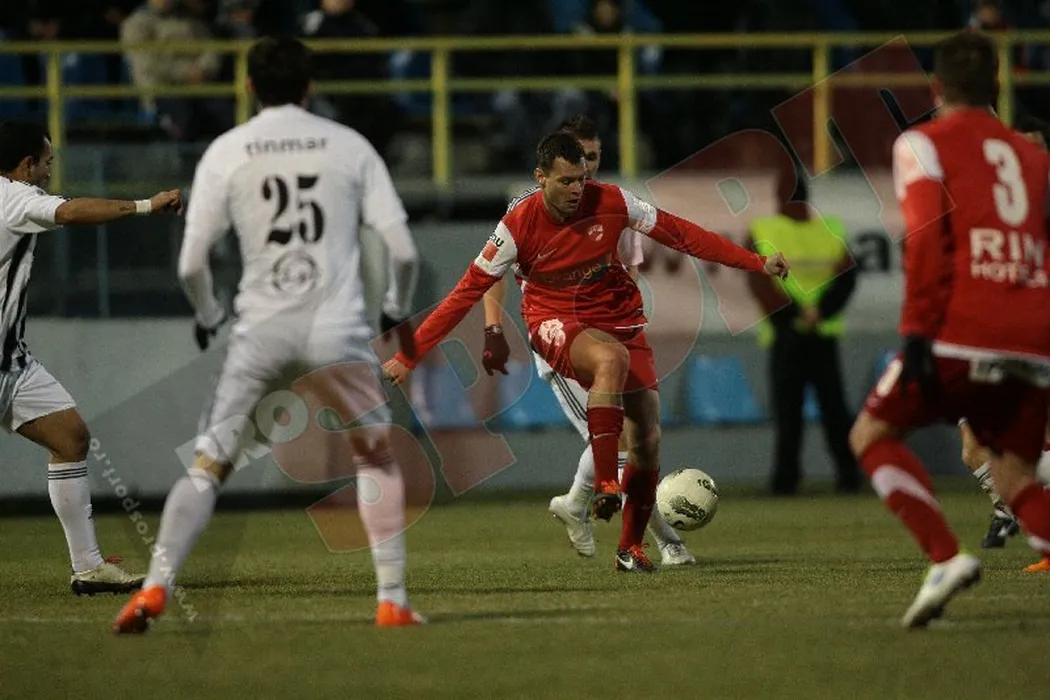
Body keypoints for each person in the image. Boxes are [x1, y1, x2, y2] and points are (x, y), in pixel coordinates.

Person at [112, 37, 421, 633]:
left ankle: (154, 587)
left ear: (249, 86)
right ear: (310, 85)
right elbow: (404, 251)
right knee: (375, 456)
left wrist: (209, 315)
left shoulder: (228, 150)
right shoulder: (349, 145)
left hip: (261, 331)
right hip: (336, 330)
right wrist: (393, 309)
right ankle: (391, 599)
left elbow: (191, 264)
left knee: (209, 465)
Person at [383, 131, 789, 572]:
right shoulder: (517, 225)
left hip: (621, 320)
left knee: (648, 440)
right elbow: (463, 294)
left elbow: (681, 234)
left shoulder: (612, 201)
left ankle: (629, 549)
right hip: (554, 320)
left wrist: (755, 262)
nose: (577, 189)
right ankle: (607, 485)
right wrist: (410, 354)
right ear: (541, 178)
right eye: (566, 181)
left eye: (580, 179)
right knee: (609, 360)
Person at [849, 31, 1050, 629]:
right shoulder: (1033, 155)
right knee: (1013, 472)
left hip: (963, 325)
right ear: (997, 84)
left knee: (871, 435)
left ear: (935, 87)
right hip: (1034, 333)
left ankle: (944, 556)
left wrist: (916, 331)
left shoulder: (923, 143)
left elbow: (926, 240)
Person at [480, 115, 695, 566]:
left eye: (593, 158)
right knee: (621, 444)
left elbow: (628, 270)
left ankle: (577, 506)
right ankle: (665, 541)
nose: (586, 168)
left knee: (635, 440)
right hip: (560, 337)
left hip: (608, 334)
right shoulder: (526, 209)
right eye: (578, 160)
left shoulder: (614, 205)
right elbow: (492, 272)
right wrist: (493, 328)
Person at [0, 119, 181, 594]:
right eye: (47, 162)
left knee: (70, 436)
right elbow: (74, 210)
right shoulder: (15, 198)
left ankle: (88, 567)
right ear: (26, 165)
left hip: (12, 363)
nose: (49, 171)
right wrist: (145, 206)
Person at [747, 160, 861, 495]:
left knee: (788, 413)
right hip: (822, 333)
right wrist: (820, 312)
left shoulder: (764, 230)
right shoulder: (830, 231)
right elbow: (847, 279)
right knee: (835, 410)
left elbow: (761, 286)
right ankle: (849, 477)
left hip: (786, 334)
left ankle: (785, 481)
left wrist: (796, 314)